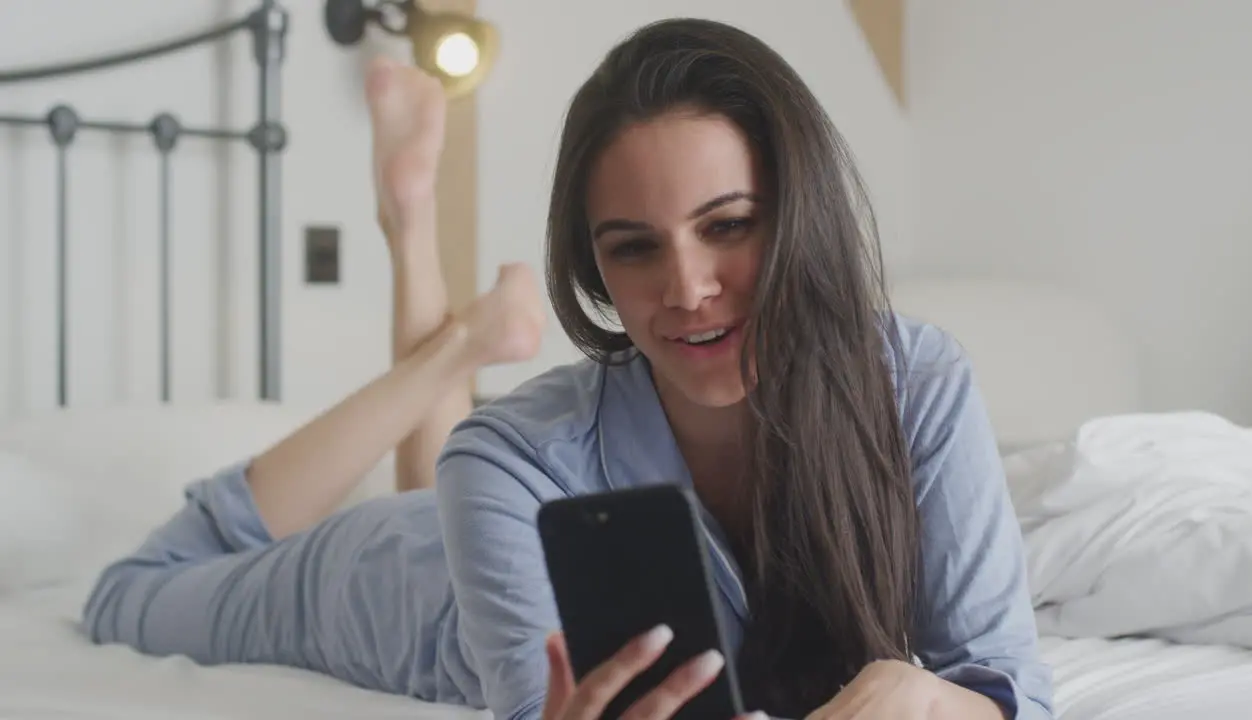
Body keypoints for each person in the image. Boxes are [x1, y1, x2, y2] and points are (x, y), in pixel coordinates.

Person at [80, 17, 1054, 720]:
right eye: (634, 247)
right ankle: (452, 334)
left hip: (487, 498)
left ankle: (431, 279)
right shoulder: (507, 461)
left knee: (465, 463)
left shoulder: (913, 381)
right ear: (592, 262)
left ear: (799, 214)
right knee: (134, 587)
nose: (685, 288)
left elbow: (1004, 686)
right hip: (405, 581)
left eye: (728, 227)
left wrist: (927, 698)